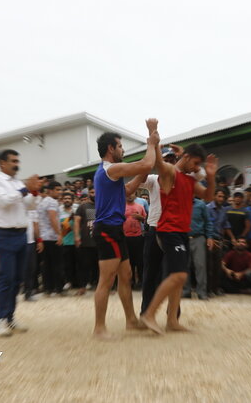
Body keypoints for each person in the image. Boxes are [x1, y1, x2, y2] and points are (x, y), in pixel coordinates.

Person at [92, 120, 160, 340]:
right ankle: (99, 329)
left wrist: (142, 172)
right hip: (107, 231)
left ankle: (131, 321)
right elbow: (146, 164)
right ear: (111, 149)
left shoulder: (111, 173)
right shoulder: (111, 168)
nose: (122, 150)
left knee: (126, 275)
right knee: (106, 279)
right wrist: (151, 139)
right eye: (120, 146)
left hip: (115, 230)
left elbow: (129, 189)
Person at [140, 141, 217, 335]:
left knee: (179, 278)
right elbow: (159, 162)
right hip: (168, 230)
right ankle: (149, 314)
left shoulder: (190, 180)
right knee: (179, 275)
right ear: (187, 157)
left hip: (183, 232)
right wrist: (154, 140)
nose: (197, 167)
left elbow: (208, 197)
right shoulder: (170, 173)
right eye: (196, 163)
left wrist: (211, 176)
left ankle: (172, 320)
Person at [0, 149, 42, 336]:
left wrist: (34, 191)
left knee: (17, 279)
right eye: (13, 161)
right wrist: (26, 188)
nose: (16, 164)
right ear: (2, 163)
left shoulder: (18, 183)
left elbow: (29, 205)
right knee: (6, 278)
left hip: (21, 234)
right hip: (5, 234)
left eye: (18, 160)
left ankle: (9, 318)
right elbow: (3, 202)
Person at [182, 197, 213, 300]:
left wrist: (209, 237)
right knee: (184, 265)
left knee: (200, 265)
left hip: (198, 237)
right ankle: (186, 291)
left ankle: (201, 292)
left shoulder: (201, 205)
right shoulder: (180, 202)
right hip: (183, 238)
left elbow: (208, 222)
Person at [37, 181, 64, 295]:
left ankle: (48, 288)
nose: (60, 192)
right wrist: (59, 234)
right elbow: (53, 218)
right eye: (57, 190)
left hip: (44, 237)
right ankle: (57, 288)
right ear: (50, 190)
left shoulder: (43, 202)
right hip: (52, 237)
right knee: (56, 263)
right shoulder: (52, 202)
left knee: (47, 264)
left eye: (60, 190)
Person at [206, 189, 232, 296]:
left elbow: (225, 225)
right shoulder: (207, 208)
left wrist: (230, 238)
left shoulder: (223, 210)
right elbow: (206, 224)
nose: (221, 199)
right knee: (209, 266)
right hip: (210, 240)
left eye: (223, 197)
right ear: (214, 196)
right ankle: (208, 290)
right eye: (219, 196)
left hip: (219, 240)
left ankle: (216, 289)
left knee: (218, 267)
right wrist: (209, 238)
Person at [74, 186, 97, 295]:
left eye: (97, 192)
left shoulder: (103, 206)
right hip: (86, 242)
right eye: (92, 192)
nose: (95, 194)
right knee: (83, 265)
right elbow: (77, 222)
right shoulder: (83, 207)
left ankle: (100, 287)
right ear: (88, 193)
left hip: (100, 242)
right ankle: (82, 287)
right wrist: (77, 237)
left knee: (100, 266)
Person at [123, 193, 146, 289]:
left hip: (138, 236)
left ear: (135, 195)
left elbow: (145, 219)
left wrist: (140, 217)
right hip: (125, 237)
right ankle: (130, 282)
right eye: (127, 194)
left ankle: (141, 282)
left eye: (131, 194)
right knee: (128, 261)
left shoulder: (140, 206)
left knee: (140, 261)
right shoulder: (121, 206)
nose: (129, 196)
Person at [59, 192, 77, 291]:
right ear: (62, 200)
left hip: (75, 241)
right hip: (64, 242)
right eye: (65, 198)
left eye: (69, 199)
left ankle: (76, 283)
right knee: (66, 264)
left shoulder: (76, 211)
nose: (67, 200)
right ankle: (67, 282)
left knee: (76, 264)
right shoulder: (59, 212)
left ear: (72, 201)